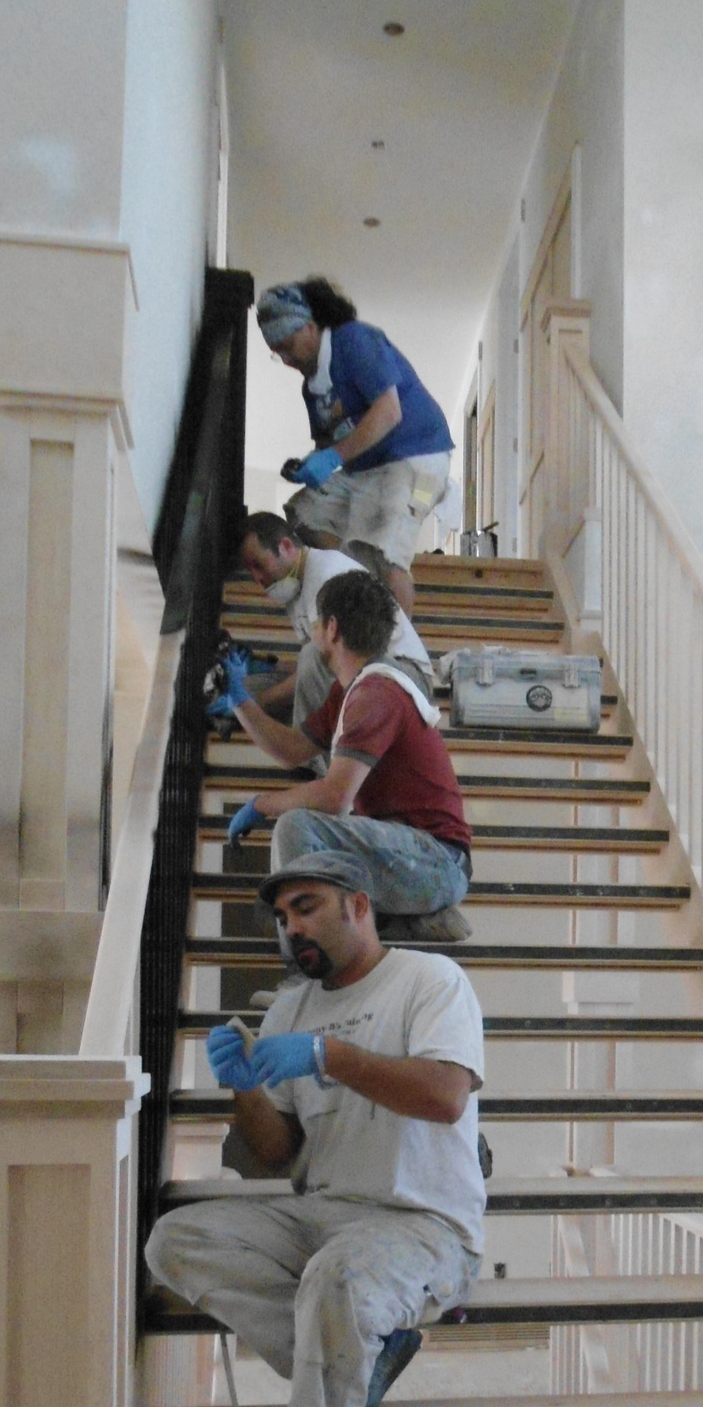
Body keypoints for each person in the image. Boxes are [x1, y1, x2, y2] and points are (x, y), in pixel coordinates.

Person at [145, 847, 486, 1407]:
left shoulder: (430, 981)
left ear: (358, 905)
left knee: (335, 1280)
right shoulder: (289, 1009)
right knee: (177, 1239)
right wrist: (243, 1087)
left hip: (423, 1223)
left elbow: (444, 1096)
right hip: (320, 1212)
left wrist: (332, 1055)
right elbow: (277, 1152)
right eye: (282, 915)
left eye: (306, 908)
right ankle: (364, 1360)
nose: (290, 927)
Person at [211, 565, 472, 944]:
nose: (313, 632)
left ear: (332, 628)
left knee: (297, 827)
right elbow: (291, 751)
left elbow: (335, 796)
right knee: (307, 840)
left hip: (437, 861)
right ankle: (397, 923)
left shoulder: (375, 695)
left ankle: (307, 964)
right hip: (410, 852)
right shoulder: (352, 690)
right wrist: (239, 699)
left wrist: (261, 804)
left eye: (316, 623)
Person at [256, 277, 453, 618]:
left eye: (288, 345)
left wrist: (333, 456)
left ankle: (398, 642)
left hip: (421, 461)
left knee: (386, 551)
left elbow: (389, 411)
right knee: (306, 512)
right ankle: (360, 583)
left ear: (310, 326)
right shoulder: (312, 389)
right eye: (278, 353)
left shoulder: (353, 339)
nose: (287, 359)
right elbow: (330, 441)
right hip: (367, 471)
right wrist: (311, 462)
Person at [235, 511, 432, 733]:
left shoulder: (326, 575)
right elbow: (320, 671)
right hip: (362, 672)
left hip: (405, 675)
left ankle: (310, 754)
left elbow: (327, 660)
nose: (257, 578)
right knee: (247, 688)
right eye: (249, 570)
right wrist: (269, 671)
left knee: (307, 660)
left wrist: (259, 702)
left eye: (258, 565)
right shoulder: (293, 586)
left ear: (286, 546)